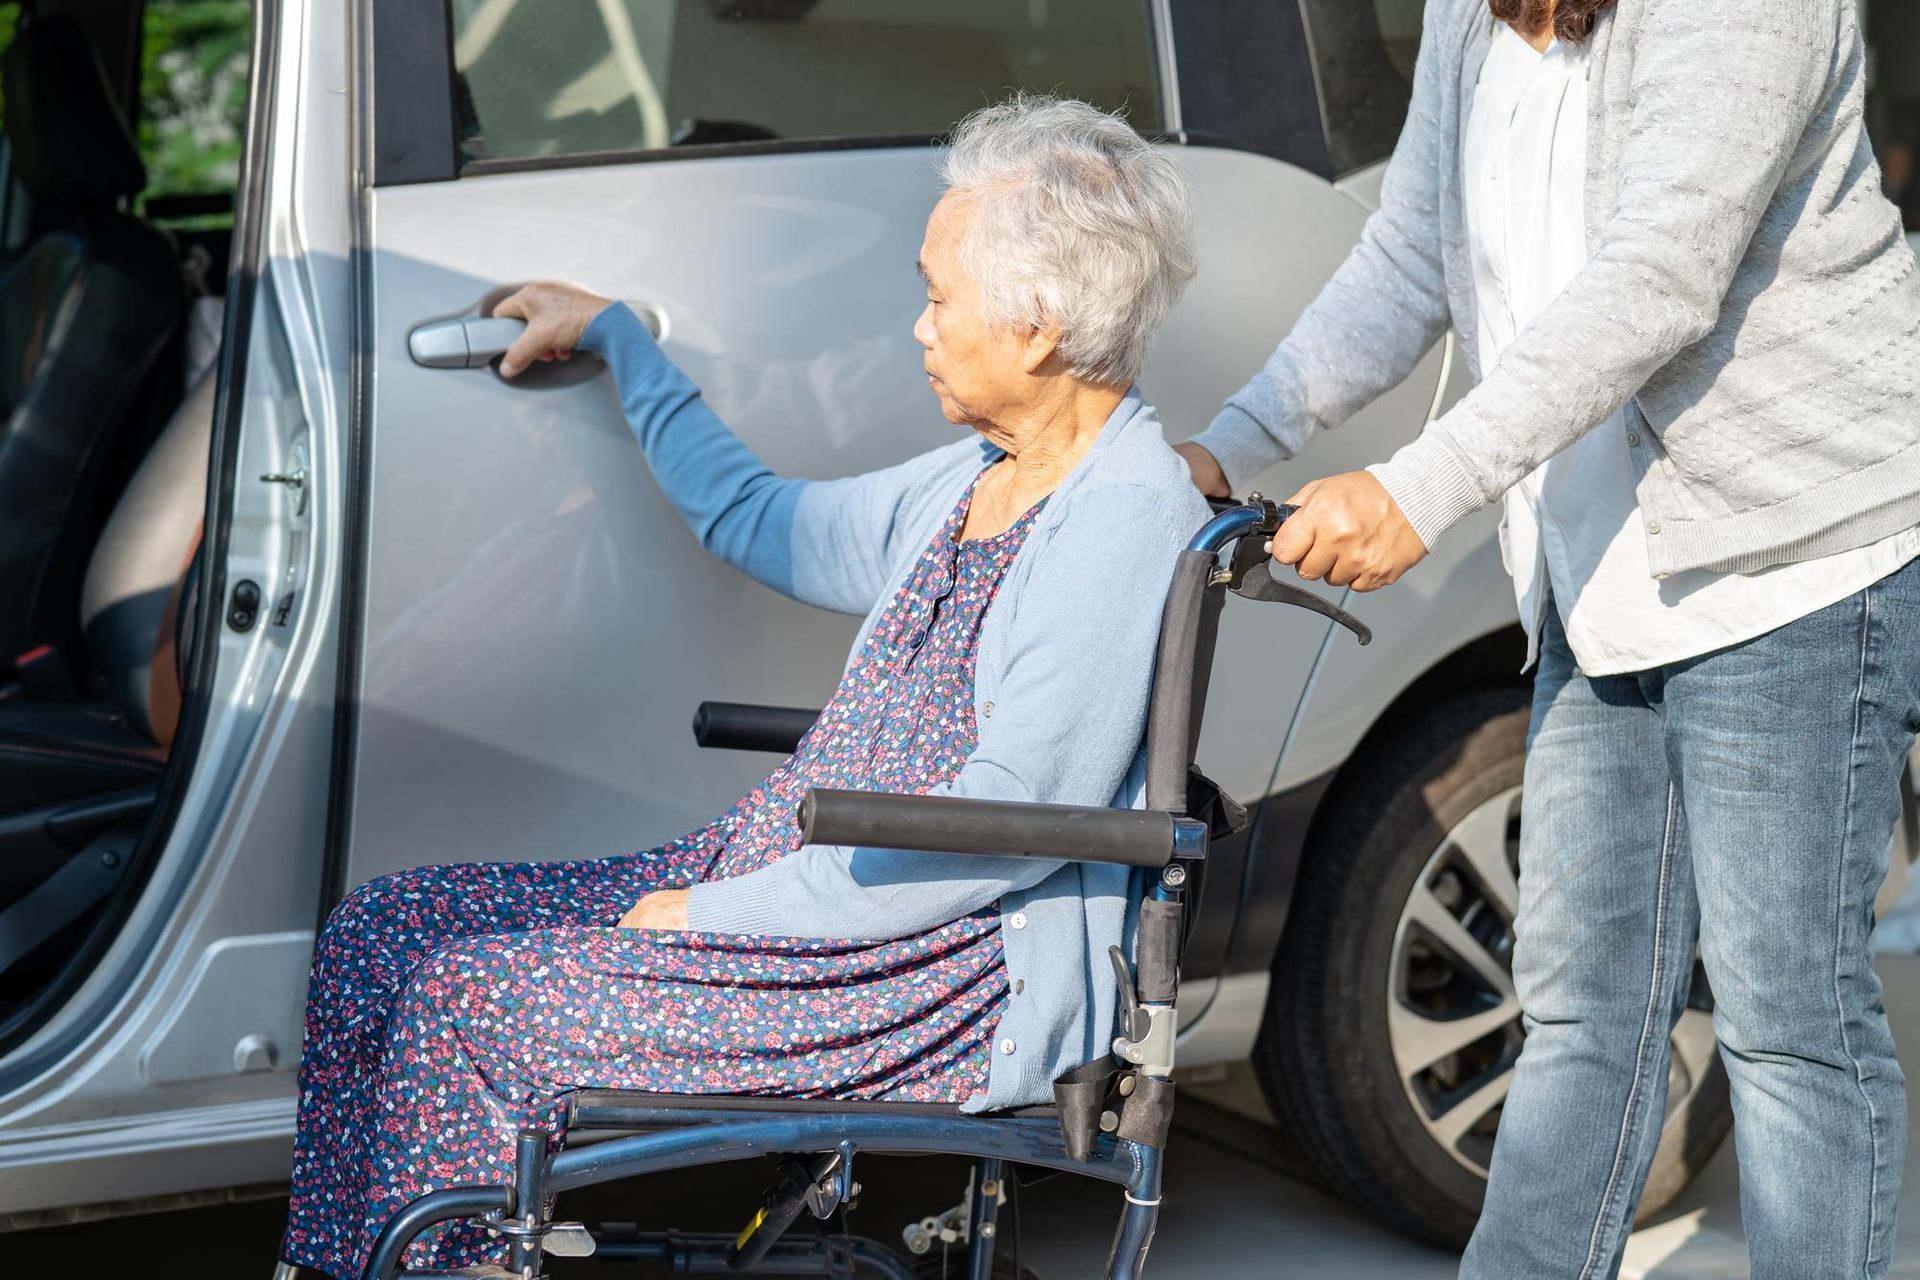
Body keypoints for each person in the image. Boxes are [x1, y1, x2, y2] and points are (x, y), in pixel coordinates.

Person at [273, 94, 1209, 1280]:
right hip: (786, 897)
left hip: (918, 970)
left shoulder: (1121, 517)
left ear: (1032, 324)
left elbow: (1003, 829)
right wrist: (621, 338)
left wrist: (722, 916)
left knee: (472, 1002)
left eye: (936, 295)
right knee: (381, 930)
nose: (918, 327)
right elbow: (756, 516)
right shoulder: (976, 477)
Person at [1175, 0, 1920, 1276]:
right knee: (1580, 1000)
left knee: (1785, 1016)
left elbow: (1659, 275)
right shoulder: (1476, 16)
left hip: (1789, 563)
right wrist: (1232, 440)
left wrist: (1419, 486)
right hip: (1601, 567)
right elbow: (1411, 255)